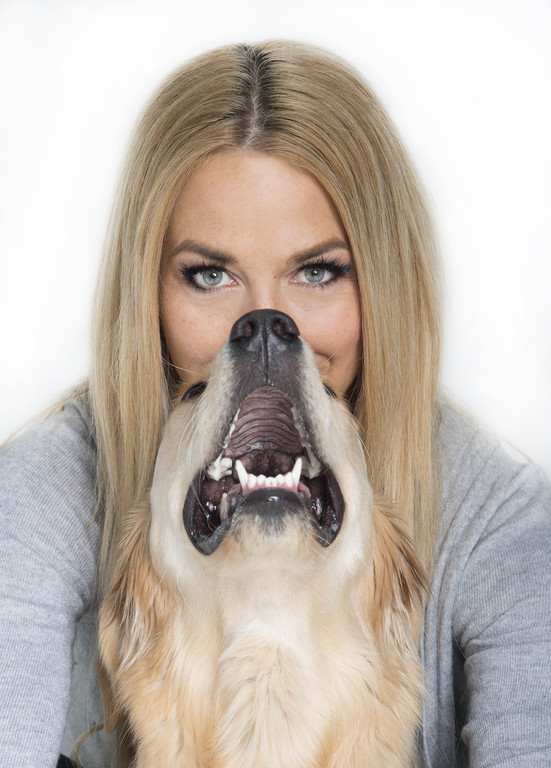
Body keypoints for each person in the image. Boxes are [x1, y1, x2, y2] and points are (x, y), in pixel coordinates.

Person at [0, 41, 549, 768]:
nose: (264, 323)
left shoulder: (506, 524)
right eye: (209, 274)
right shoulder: (47, 488)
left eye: (317, 271)